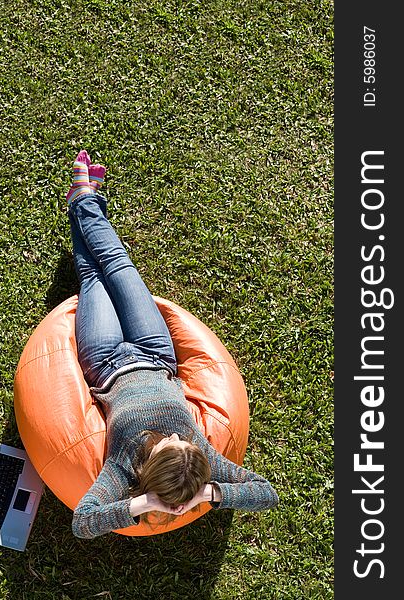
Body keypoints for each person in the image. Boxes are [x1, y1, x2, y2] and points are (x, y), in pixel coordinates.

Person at [66, 150, 278, 539]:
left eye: (170, 444)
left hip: (107, 362)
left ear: (148, 469)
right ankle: (85, 200)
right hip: (155, 353)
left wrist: (144, 504)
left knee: (93, 277)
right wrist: (210, 492)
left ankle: (83, 198)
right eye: (184, 441)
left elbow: (83, 522)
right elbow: (266, 493)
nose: (180, 436)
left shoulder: (122, 467)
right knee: (119, 265)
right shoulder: (198, 454)